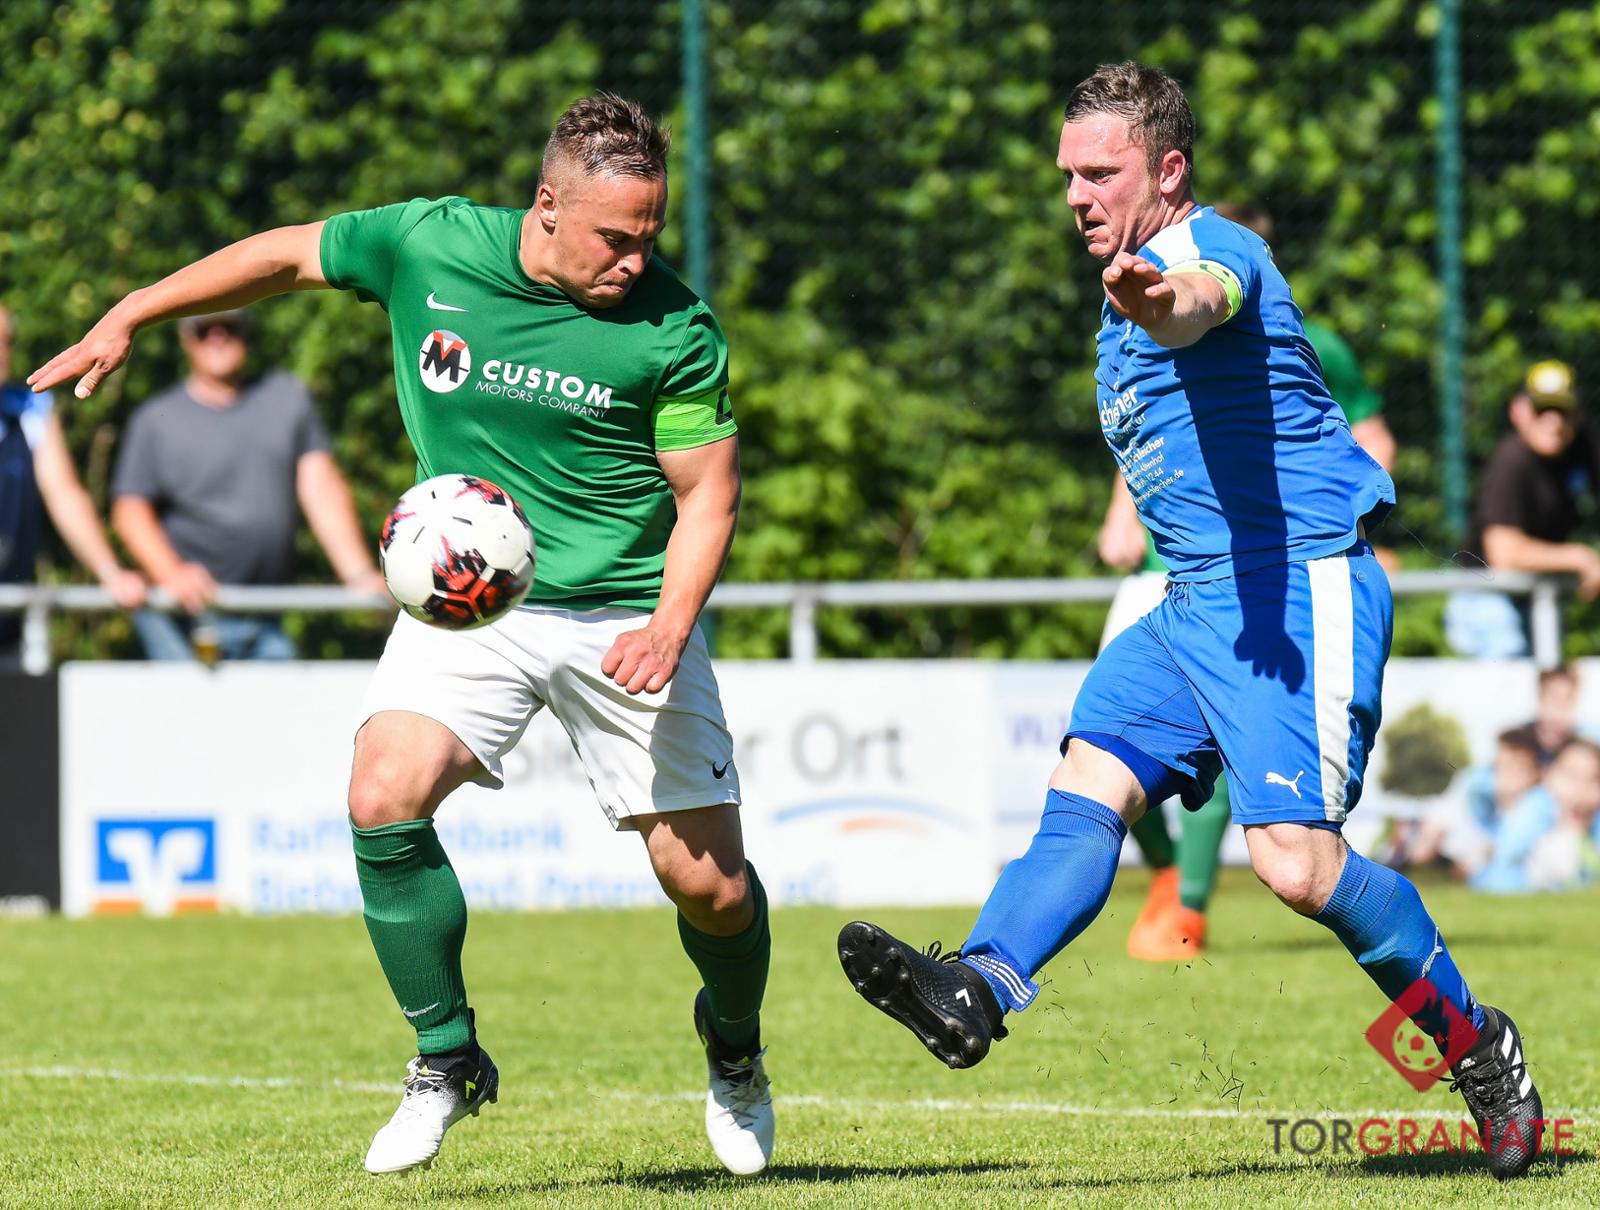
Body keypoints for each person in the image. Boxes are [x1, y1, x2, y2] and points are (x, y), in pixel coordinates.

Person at [31, 93, 774, 1177]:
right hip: (476, 604)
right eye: (616, 236)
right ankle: (445, 1057)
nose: (635, 259)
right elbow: (285, 256)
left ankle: (735, 1048)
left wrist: (669, 624)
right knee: (382, 791)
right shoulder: (432, 243)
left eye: (649, 234)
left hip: (626, 610)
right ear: (547, 205)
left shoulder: (675, 326)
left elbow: (709, 496)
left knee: (709, 888)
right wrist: (136, 310)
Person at [836, 62, 1544, 1180]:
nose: (1077, 194)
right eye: (1068, 174)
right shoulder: (1114, 303)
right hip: (1194, 603)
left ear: (1168, 170)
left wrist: (1158, 299)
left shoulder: (1212, 249)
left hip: (1293, 589)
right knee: (1089, 781)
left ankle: (1476, 1047)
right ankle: (977, 983)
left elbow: (1197, 299)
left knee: (1297, 868)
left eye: (1101, 172)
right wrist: (1137, 308)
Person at [1100, 201, 1403, 962]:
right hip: (1163, 574)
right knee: (1100, 747)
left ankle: (1189, 906)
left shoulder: (1296, 331)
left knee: (1275, 832)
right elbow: (1146, 423)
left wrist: (1351, 522)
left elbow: (1369, 431)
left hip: (1266, 575)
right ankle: (1163, 879)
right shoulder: (1134, 311)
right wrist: (1121, 509)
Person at [110, 309, 385, 661]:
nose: (218, 337)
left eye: (229, 327)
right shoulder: (154, 419)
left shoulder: (286, 399)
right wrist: (172, 573)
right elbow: (130, 510)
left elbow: (320, 487)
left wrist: (359, 575)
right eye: (205, 329)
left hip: (264, 616)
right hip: (183, 620)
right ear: (186, 339)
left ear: (248, 333)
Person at [0, 303, 145, 667]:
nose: (2, 353)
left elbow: (64, 495)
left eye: (6, 342)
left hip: (9, 625)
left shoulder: (28, 410)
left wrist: (110, 572)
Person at [1449, 358, 1600, 658]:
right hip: (1487, 596)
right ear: (1518, 412)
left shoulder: (1583, 447)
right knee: (1512, 672)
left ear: (1577, 414)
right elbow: (1504, 555)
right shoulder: (1511, 460)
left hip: (1537, 593)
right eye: (1542, 409)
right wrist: (1579, 557)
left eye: (1562, 410)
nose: (1553, 421)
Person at [1474, 736, 1600, 893]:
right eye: (1572, 775)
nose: (1581, 789)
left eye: (1594, 779)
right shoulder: (1533, 810)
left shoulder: (1594, 822)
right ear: (1547, 775)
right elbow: (1502, 872)